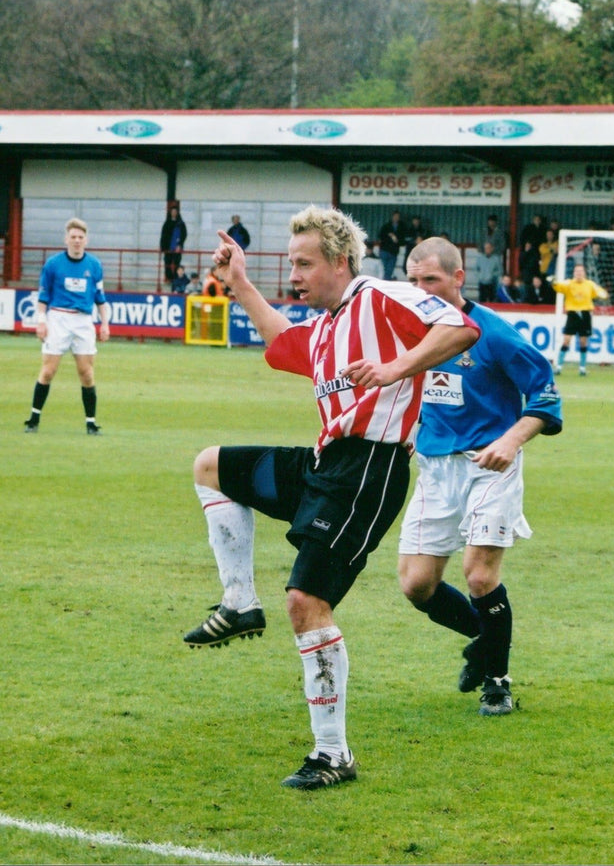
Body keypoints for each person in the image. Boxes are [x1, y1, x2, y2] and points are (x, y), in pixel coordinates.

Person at [182, 205, 479, 790]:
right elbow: (282, 341)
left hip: (368, 469)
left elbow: (460, 328)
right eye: (290, 263)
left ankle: (332, 754)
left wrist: (398, 367)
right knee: (211, 466)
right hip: (326, 463)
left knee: (306, 602)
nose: (294, 275)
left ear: (340, 262)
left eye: (304, 264)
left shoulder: (380, 296)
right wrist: (238, 284)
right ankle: (240, 603)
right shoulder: (324, 326)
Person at [398, 237, 562, 717]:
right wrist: (412, 429)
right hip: (434, 467)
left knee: (479, 575)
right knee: (416, 585)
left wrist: (510, 441)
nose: (420, 290)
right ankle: (487, 641)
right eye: (413, 281)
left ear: (458, 278)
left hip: (490, 465)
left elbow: (546, 396)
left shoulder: (494, 333)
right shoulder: (413, 330)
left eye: (430, 279)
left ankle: (497, 679)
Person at [24, 218, 110, 434]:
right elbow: (43, 297)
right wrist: (41, 322)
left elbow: (101, 298)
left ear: (86, 240)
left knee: (87, 373)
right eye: (73, 237)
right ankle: (33, 419)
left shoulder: (94, 265)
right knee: (48, 371)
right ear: (66, 239)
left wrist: (105, 323)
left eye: (81, 237)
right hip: (58, 319)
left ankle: (91, 423)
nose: (77, 241)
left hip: (83, 321)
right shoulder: (53, 265)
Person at [550, 263, 609, 376]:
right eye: (577, 271)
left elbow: (601, 292)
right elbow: (557, 286)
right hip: (572, 314)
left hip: (585, 314)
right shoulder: (569, 283)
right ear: (574, 273)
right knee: (566, 340)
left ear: (584, 273)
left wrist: (603, 295)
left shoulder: (590, 284)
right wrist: (553, 282)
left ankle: (582, 368)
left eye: (581, 271)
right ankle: (558, 367)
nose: (579, 273)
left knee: (583, 341)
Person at [159, 204, 188, 286]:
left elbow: (184, 235)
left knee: (176, 264)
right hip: (168, 248)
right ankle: (168, 278)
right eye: (172, 212)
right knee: (167, 263)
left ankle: (175, 279)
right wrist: (163, 247)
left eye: (175, 212)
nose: (174, 213)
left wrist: (180, 244)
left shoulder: (181, 224)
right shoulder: (167, 223)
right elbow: (163, 235)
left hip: (177, 248)